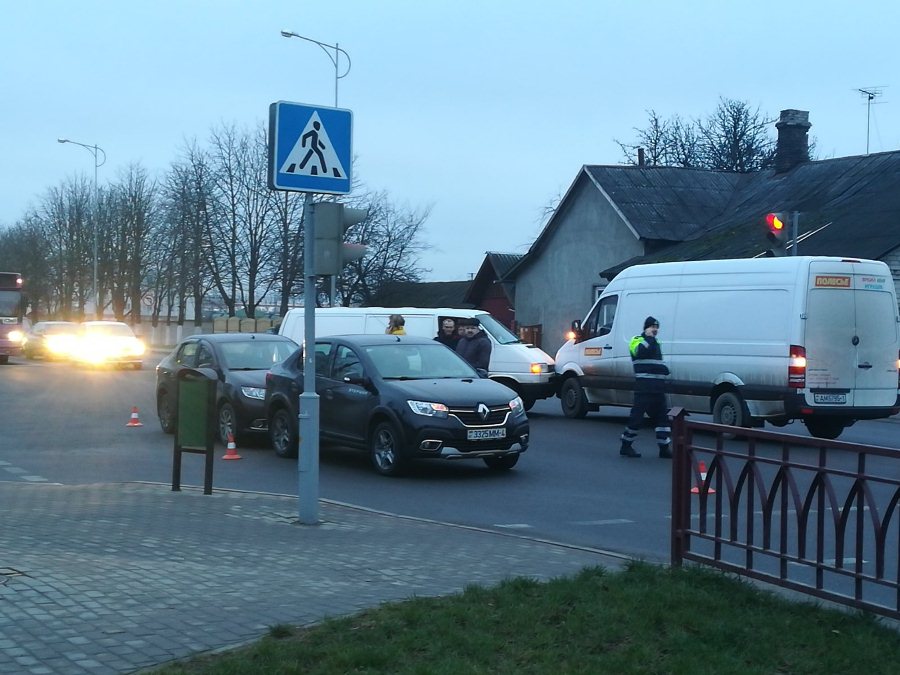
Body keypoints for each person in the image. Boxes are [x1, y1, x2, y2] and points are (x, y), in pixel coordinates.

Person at [620, 316, 672, 459]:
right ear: (646, 328)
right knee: (636, 418)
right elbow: (640, 353)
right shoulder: (636, 340)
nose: (655, 330)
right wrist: (648, 338)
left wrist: (664, 370)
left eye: (657, 327)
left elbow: (655, 363)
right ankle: (626, 445)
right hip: (644, 389)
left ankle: (664, 448)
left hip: (658, 389)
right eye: (652, 327)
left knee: (663, 419)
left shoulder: (656, 343)